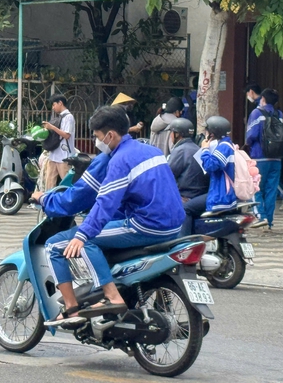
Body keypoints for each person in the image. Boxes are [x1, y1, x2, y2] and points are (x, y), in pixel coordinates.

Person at [41, 106, 185, 326]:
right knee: (97, 232)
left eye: (98, 137)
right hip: (174, 225)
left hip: (147, 226)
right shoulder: (152, 150)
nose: (98, 143)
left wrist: (82, 234)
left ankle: (84, 305)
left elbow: (105, 203)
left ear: (109, 135)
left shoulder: (119, 160)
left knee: (60, 244)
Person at [245, 88, 283, 230]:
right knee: (271, 190)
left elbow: (251, 135)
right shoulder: (279, 114)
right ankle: (269, 221)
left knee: (255, 187)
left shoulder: (256, 113)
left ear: (263, 99)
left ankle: (260, 216)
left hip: (259, 156)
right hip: (276, 157)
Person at [166, 118, 210, 234]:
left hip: (186, 196)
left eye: (171, 132)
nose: (170, 136)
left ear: (177, 134)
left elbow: (168, 174)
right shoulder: (197, 148)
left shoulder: (180, 150)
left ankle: (181, 243)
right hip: (199, 195)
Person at [199, 116, 237, 213]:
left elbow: (210, 165)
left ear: (212, 133)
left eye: (207, 131)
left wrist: (205, 149)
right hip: (220, 194)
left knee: (187, 209)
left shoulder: (224, 147)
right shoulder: (224, 145)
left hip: (220, 196)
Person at [42, 94, 76, 190]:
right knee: (49, 182)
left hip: (64, 156)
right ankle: (49, 202)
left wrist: (52, 127)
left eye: (54, 105)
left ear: (60, 103)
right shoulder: (59, 117)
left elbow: (66, 135)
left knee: (66, 182)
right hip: (54, 155)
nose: (53, 108)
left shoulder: (69, 117)